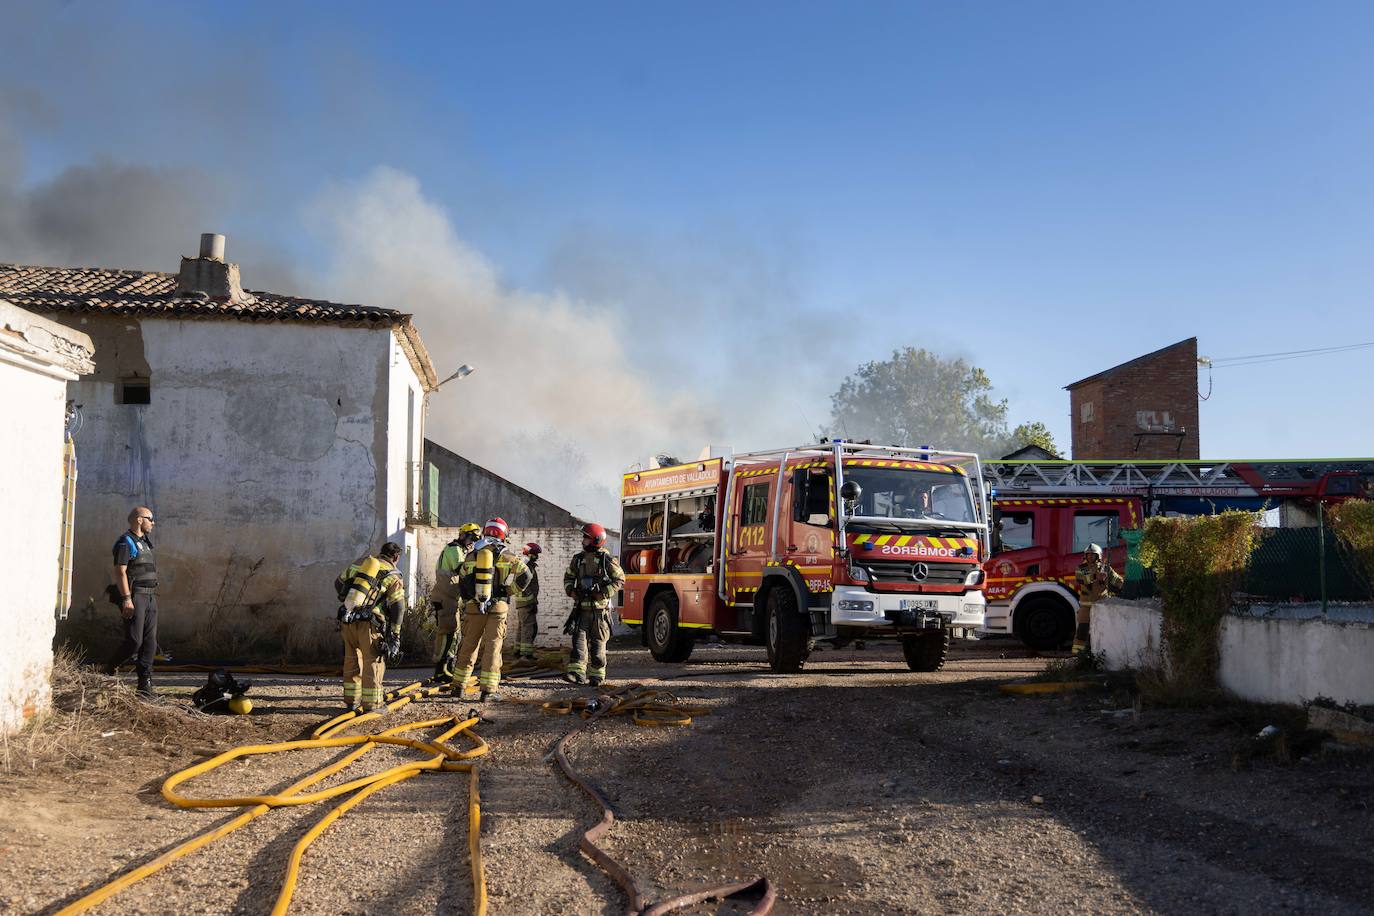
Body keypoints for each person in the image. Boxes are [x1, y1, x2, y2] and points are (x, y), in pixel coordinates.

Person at [452, 518, 532, 701]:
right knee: (493, 647)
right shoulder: (507, 555)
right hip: (497, 607)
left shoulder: (473, 554)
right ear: (503, 534)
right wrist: (508, 590)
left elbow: (462, 578)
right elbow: (526, 575)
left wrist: (468, 600)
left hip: (473, 607)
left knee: (468, 646)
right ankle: (488, 691)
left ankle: (458, 686)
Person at [335, 541, 407, 713]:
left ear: (381, 553)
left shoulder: (360, 564)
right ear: (396, 557)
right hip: (370, 625)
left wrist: (349, 602)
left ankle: (351, 702)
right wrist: (395, 634)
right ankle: (373, 705)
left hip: (347, 620)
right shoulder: (393, 575)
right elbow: (398, 606)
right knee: (373, 662)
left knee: (351, 660)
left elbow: (338, 583)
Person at [104, 507, 160, 696]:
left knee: (150, 642)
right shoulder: (125, 542)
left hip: (150, 596)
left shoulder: (144, 542)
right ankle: (108, 670)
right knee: (134, 642)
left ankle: (145, 686)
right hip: (135, 596)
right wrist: (127, 599)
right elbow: (120, 572)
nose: (153, 522)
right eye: (150, 519)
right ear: (138, 520)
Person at [562, 522, 626, 687]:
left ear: (596, 540)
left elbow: (620, 579)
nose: (583, 540)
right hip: (581, 608)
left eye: (586, 538)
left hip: (600, 611)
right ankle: (577, 673)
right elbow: (568, 577)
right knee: (579, 642)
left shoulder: (607, 560)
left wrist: (603, 592)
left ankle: (597, 675)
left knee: (598, 643)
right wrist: (571, 591)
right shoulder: (578, 559)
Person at [429, 522, 480, 683]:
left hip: (450, 598)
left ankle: (448, 667)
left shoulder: (460, 550)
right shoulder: (454, 549)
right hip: (444, 598)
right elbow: (462, 570)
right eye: (471, 538)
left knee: (453, 633)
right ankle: (439, 671)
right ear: (463, 535)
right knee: (446, 634)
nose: (472, 542)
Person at [1072, 543, 1123, 655]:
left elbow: (1117, 581)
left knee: (1103, 630)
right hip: (1086, 606)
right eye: (1088, 555)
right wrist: (1096, 576)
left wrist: (1125, 585)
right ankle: (1077, 655)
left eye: (1093, 555)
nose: (1090, 557)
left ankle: (1103, 654)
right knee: (1082, 630)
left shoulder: (1106, 568)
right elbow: (1083, 579)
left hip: (1101, 605)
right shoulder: (1082, 568)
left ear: (1098, 556)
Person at [512, 542, 542, 660]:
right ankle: (526, 654)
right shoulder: (528, 567)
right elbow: (526, 585)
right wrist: (532, 601)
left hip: (521, 603)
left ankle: (518, 651)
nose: (537, 556)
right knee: (528, 628)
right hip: (527, 603)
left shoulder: (521, 565)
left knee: (522, 627)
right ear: (530, 554)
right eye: (535, 554)